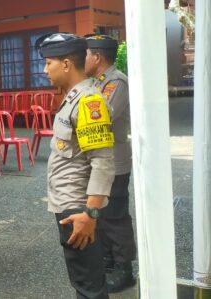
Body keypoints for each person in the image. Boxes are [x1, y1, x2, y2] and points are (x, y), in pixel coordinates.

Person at [39, 33, 115, 298]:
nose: (45, 69)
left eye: (49, 63)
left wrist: (90, 215)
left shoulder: (88, 102)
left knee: (89, 286)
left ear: (67, 64)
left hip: (79, 209)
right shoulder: (73, 97)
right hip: (70, 205)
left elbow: (103, 162)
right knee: (84, 280)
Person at [85, 34, 135, 292]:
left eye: (86, 54)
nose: (83, 59)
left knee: (115, 216)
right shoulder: (97, 82)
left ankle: (125, 269)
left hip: (114, 160)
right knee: (101, 214)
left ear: (97, 57)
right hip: (100, 160)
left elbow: (101, 116)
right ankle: (107, 262)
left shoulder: (116, 83)